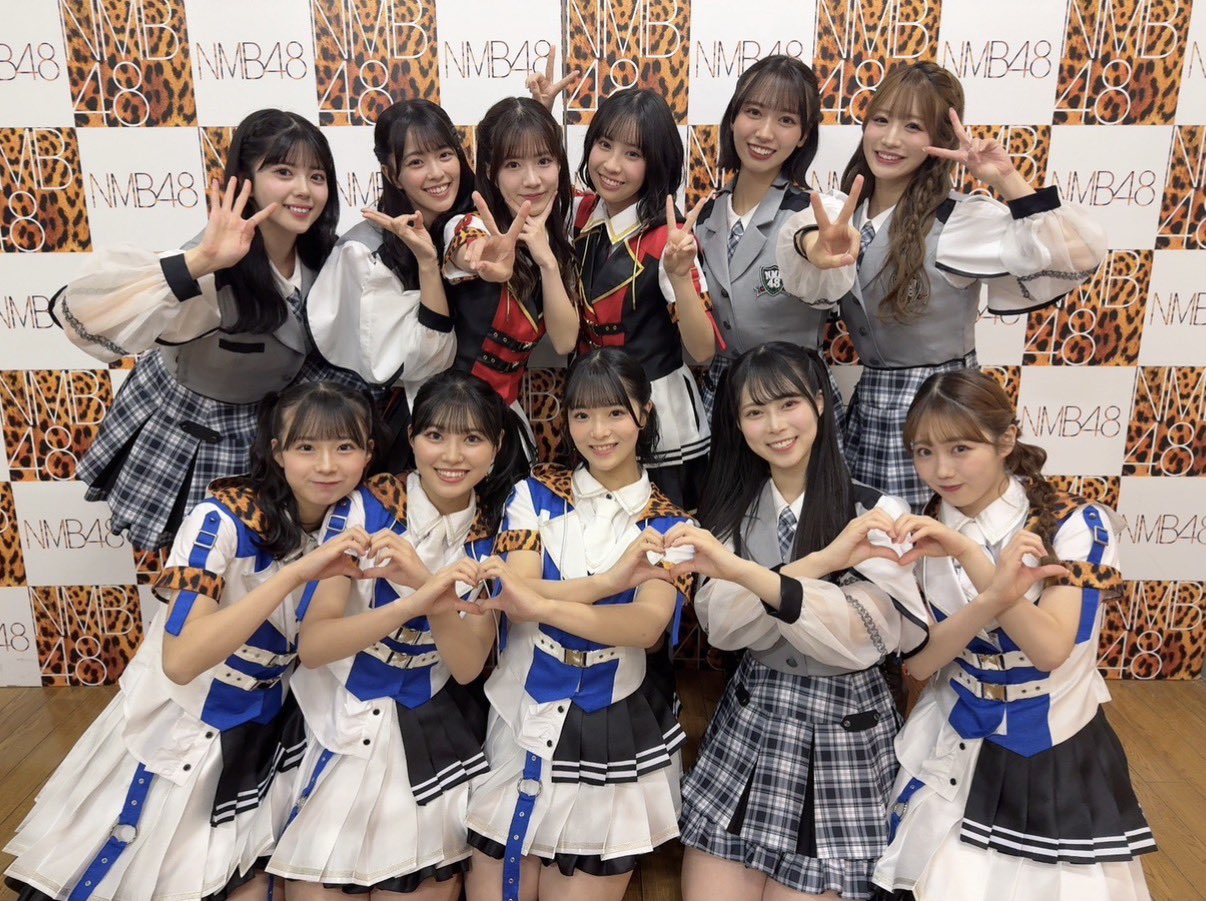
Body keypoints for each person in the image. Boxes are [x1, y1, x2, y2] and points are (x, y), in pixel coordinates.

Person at [3, 381, 376, 900]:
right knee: (133, 873)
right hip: (182, 718)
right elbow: (181, 661)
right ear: (277, 452)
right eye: (306, 447)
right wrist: (296, 573)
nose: (327, 466)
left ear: (368, 453)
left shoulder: (358, 519)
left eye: (345, 447)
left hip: (265, 728)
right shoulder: (219, 520)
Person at [872, 369, 1155, 900]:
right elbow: (920, 664)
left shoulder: (1075, 524)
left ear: (1005, 441)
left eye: (961, 448)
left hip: (1052, 742)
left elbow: (1049, 650)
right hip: (953, 732)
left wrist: (971, 558)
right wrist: (985, 586)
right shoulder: (918, 532)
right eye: (924, 452)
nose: (941, 470)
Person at [775, 62, 1108, 510]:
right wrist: (814, 246)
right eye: (881, 120)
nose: (891, 139)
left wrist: (1006, 179)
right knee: (874, 536)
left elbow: (1075, 254)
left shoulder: (960, 220)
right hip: (872, 409)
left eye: (913, 127)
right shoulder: (843, 210)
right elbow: (800, 240)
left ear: (941, 140)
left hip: (947, 415)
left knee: (947, 533)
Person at [668, 343, 927, 900]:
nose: (775, 425)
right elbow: (724, 626)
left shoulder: (878, 513)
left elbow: (861, 635)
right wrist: (825, 563)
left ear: (820, 403)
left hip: (844, 732)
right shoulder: (730, 516)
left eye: (788, 404)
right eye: (754, 411)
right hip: (752, 718)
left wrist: (749, 578)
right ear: (737, 424)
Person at [267, 371, 530, 899]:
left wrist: (422, 582)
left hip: (428, 727)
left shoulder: (496, 534)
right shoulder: (365, 507)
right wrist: (422, 597)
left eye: (472, 438)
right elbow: (315, 647)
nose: (451, 455)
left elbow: (466, 666)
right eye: (435, 435)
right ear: (411, 438)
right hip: (337, 718)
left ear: (498, 447)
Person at [53, 108, 366, 549]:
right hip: (190, 434)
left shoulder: (327, 259)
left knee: (262, 563)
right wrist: (201, 262)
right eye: (283, 172)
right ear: (245, 181)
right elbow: (83, 315)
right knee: (198, 565)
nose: (303, 189)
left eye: (317, 176)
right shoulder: (207, 262)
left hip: (270, 433)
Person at [462, 349, 694, 901]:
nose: (598, 431)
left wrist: (534, 604)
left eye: (615, 412)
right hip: (520, 709)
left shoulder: (673, 524)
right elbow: (514, 588)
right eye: (582, 415)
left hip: (616, 722)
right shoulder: (532, 493)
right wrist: (611, 583)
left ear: (645, 413)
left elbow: (645, 627)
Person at [558, 87, 718, 509]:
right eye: (604, 145)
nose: (612, 165)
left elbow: (703, 349)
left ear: (657, 162)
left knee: (662, 532)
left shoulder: (669, 238)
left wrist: (680, 277)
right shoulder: (580, 214)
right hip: (592, 410)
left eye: (632, 154)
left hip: (657, 411)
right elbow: (534, 184)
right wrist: (540, 114)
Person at [307, 99, 475, 471]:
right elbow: (425, 360)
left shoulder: (467, 225)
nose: (437, 173)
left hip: (461, 416)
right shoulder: (365, 253)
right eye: (416, 162)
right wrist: (428, 263)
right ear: (393, 175)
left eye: (445, 155)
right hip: (385, 428)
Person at [692, 55, 847, 428]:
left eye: (786, 120)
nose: (764, 132)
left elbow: (808, 241)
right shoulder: (704, 217)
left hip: (792, 395)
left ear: (804, 135)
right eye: (754, 112)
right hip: (721, 396)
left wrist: (816, 250)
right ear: (734, 118)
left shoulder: (814, 213)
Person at [441, 97, 580, 442]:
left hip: (508, 416)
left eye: (544, 161)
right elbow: (468, 249)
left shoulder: (558, 236)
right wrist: (483, 257)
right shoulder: (471, 225)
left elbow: (565, 341)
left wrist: (547, 261)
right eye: (513, 165)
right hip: (453, 416)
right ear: (491, 171)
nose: (532, 180)